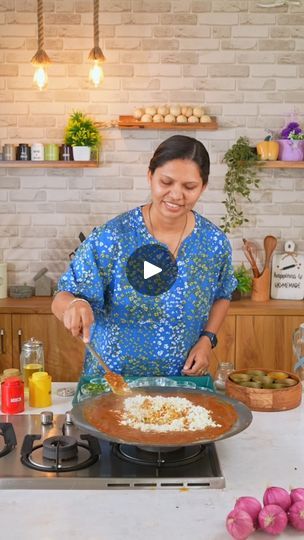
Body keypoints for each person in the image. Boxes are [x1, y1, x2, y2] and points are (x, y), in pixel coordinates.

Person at [52, 135, 237, 378]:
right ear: (150, 176)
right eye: (166, 182)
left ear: (203, 187)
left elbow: (223, 294)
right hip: (114, 382)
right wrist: (75, 305)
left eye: (189, 187)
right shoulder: (113, 237)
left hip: (181, 380)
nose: (176, 194)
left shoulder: (213, 242)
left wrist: (207, 339)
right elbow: (60, 299)